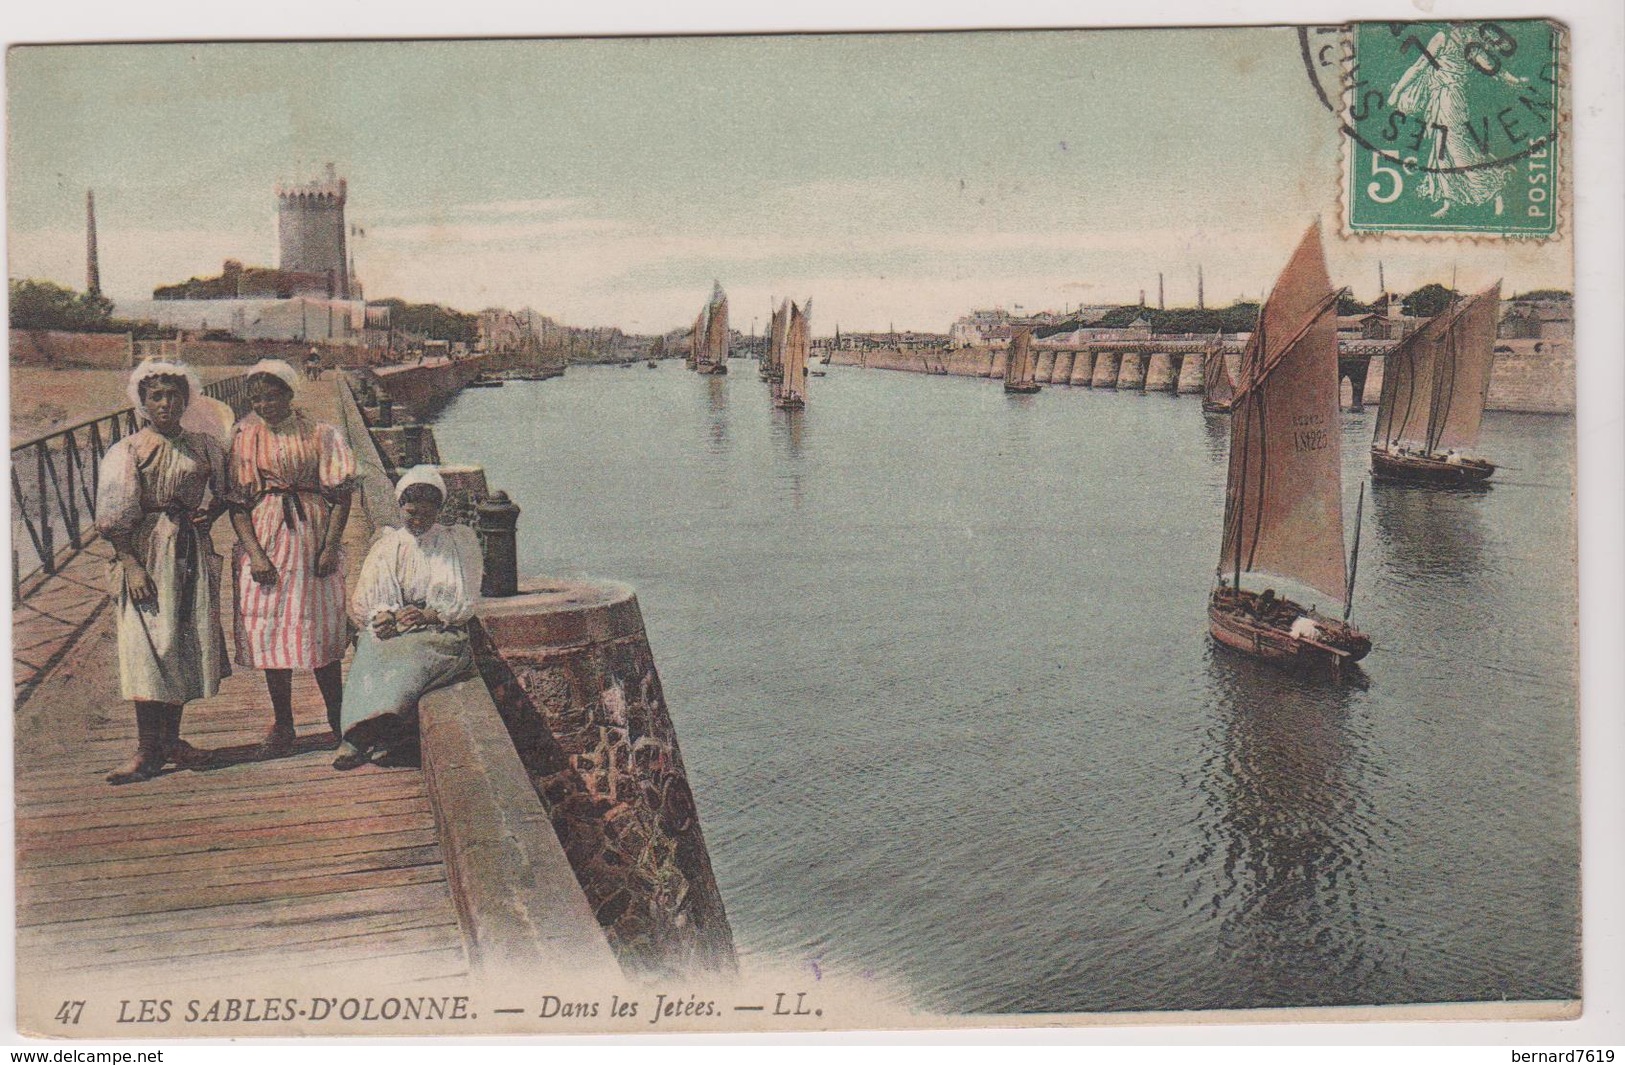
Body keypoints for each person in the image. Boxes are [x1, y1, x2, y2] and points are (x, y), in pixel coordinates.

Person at [97, 360, 232, 784]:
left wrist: (210, 514)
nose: (166, 403)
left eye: (174, 395)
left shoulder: (204, 445)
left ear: (186, 399)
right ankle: (145, 748)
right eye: (157, 396)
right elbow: (113, 515)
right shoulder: (129, 450)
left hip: (188, 550)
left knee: (180, 643)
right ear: (143, 402)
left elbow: (229, 491)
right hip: (145, 549)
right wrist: (130, 563)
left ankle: (172, 741)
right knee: (145, 645)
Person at [228, 358, 356, 755]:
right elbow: (236, 503)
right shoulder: (245, 438)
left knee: (320, 626)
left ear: (288, 394)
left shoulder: (320, 433)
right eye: (256, 399)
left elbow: (341, 496)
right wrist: (256, 555)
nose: (263, 406)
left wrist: (330, 546)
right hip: (267, 533)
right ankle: (284, 724)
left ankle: (340, 721)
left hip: (311, 532)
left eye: (270, 397)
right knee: (269, 628)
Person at [333, 466, 482, 770]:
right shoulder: (390, 544)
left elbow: (462, 600)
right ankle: (356, 736)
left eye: (426, 514)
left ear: (438, 512)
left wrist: (429, 613)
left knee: (411, 653)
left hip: (440, 631)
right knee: (373, 645)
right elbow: (372, 594)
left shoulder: (452, 543)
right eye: (411, 512)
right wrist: (384, 614)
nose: (417, 521)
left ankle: (387, 732)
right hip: (401, 625)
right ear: (400, 506)